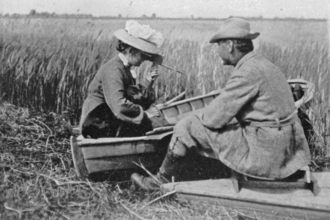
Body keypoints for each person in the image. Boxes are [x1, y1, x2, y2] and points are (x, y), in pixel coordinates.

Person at [131, 17, 311, 190]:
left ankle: (158, 183)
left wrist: (189, 116)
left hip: (267, 154)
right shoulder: (262, 64)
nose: (217, 50)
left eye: (219, 45)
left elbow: (212, 119)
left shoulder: (246, 73)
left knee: (185, 127)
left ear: (230, 46)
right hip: (287, 149)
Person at [79, 20, 168, 138]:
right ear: (131, 52)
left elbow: (132, 97)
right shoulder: (113, 70)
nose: (144, 60)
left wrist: (148, 81)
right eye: (143, 55)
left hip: (108, 118)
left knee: (157, 124)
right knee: (153, 127)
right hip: (95, 123)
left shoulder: (124, 68)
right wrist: (145, 114)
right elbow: (119, 106)